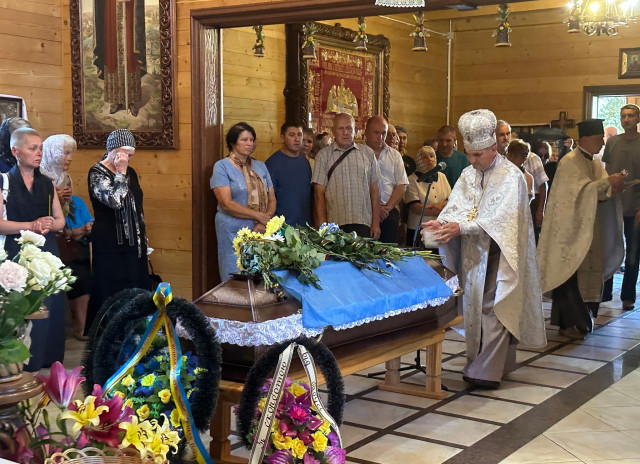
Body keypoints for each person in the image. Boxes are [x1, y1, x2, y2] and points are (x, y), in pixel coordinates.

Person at [423, 109, 546, 389]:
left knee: (495, 306)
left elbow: (502, 218)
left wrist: (461, 227)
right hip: (473, 252)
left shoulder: (511, 176)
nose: (472, 160)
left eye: (477, 155)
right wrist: (441, 223)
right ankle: (491, 363)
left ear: (493, 148)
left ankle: (485, 370)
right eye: (469, 154)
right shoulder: (468, 174)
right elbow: (456, 206)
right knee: (474, 307)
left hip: (501, 252)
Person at [538, 119, 625, 340]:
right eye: (599, 139)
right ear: (585, 139)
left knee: (588, 275)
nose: (602, 143)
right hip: (570, 232)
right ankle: (567, 324)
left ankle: (582, 321)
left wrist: (612, 187)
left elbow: (598, 191)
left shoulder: (595, 162)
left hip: (590, 230)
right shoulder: (569, 162)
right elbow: (576, 195)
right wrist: (606, 183)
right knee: (570, 276)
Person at [0, 127, 66, 371]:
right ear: (15, 151)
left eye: (41, 148)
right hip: (16, 251)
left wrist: (48, 224)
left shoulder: (47, 183)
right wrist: (31, 225)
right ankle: (18, 365)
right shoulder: (4, 181)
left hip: (47, 251)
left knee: (49, 305)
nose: (39, 153)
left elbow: (60, 221)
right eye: (33, 148)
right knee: (20, 306)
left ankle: (45, 360)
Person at [86, 129, 150, 333]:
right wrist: (120, 173)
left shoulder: (132, 173)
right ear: (112, 151)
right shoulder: (97, 173)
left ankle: (135, 334)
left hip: (134, 245)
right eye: (124, 154)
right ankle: (108, 336)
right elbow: (115, 201)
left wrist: (142, 238)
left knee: (136, 285)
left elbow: (137, 207)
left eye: (131, 155)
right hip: (110, 244)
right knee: (112, 289)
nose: (127, 159)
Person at [41, 134, 92, 341]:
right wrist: (55, 201)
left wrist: (63, 202)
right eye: (66, 153)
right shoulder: (39, 176)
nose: (70, 158)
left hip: (65, 239)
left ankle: (81, 325)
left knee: (81, 270)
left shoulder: (65, 177)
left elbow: (67, 212)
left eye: (71, 153)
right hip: (44, 238)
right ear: (52, 152)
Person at [211, 122, 276, 279]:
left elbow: (272, 198)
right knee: (235, 276)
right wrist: (258, 216)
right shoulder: (222, 167)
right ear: (233, 143)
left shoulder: (260, 166)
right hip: (232, 231)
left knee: (261, 277)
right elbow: (226, 203)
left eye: (252, 140)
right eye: (244, 140)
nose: (249, 143)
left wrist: (263, 222)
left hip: (261, 230)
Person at [312, 113, 381, 238]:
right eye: (341, 128)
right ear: (333, 131)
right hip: (334, 223)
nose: (345, 132)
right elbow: (319, 193)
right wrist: (323, 225)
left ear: (355, 131)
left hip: (362, 221)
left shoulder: (368, 153)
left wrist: (376, 223)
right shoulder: (323, 156)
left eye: (349, 128)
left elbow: (374, 190)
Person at [601, 104, 640, 309]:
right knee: (609, 249)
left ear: (638, 118)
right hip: (612, 204)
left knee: (633, 253)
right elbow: (606, 170)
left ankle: (628, 297)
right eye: (623, 116)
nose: (626, 119)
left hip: (635, 206)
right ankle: (604, 294)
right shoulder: (613, 142)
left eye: (631, 115)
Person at [93, 0, 146, 115]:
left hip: (129, 8)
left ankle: (131, 100)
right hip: (111, 7)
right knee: (112, 52)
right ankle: (117, 100)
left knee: (130, 54)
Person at [364, 116, 408, 244]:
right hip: (365, 210)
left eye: (383, 133)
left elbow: (402, 185)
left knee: (389, 251)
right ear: (366, 133)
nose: (380, 137)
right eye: (376, 133)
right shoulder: (358, 154)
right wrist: (375, 208)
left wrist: (386, 208)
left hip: (388, 211)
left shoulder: (395, 155)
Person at [265, 122, 312, 227]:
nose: (297, 139)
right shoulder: (272, 163)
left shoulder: (305, 162)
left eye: (299, 135)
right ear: (282, 138)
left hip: (305, 226)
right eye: (292, 135)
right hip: (282, 227)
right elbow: (268, 198)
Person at [404, 146, 451, 247]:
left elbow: (449, 201)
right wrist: (436, 210)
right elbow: (415, 207)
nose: (429, 159)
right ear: (419, 160)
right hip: (417, 228)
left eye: (432, 156)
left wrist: (434, 207)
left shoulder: (442, 177)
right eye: (425, 157)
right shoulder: (412, 179)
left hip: (439, 226)